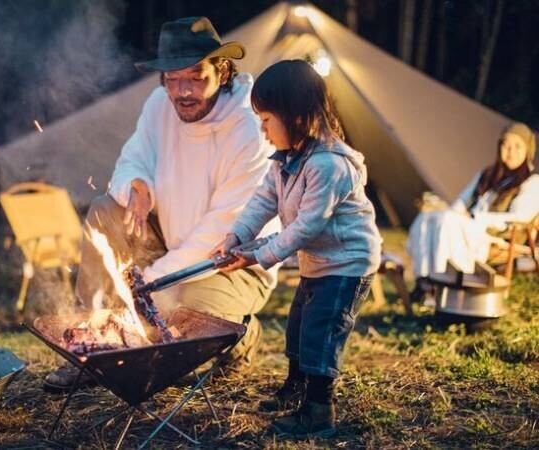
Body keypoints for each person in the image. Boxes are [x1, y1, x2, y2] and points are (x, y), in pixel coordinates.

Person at [43, 17, 279, 392]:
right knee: (106, 209)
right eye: (172, 79)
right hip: (169, 245)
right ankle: (93, 346)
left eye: (195, 77)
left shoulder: (248, 128)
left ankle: (242, 333)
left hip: (231, 263)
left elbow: (224, 229)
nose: (183, 91)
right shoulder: (159, 105)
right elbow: (131, 159)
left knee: (180, 319)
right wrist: (136, 185)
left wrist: (146, 288)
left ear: (221, 70)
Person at [210, 60, 382, 439]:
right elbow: (263, 200)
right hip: (319, 262)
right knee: (298, 328)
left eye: (267, 119)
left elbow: (305, 227)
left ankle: (319, 411)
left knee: (320, 332)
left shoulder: (329, 166)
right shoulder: (286, 160)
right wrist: (238, 235)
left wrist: (256, 255)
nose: (263, 129)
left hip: (347, 265)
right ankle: (296, 387)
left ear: (298, 116)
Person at [407, 122, 539, 299]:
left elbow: (518, 217)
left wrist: (474, 217)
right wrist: (452, 213)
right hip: (470, 226)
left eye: (517, 146)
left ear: (527, 151)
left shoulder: (532, 182)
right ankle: (424, 279)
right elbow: (461, 201)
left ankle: (443, 284)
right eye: (506, 144)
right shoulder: (488, 174)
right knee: (428, 217)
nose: (511, 151)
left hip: (497, 235)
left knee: (448, 222)